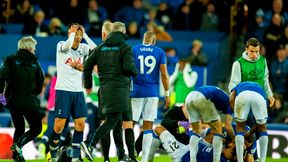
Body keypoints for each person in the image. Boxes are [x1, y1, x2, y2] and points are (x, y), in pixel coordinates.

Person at [81, 21, 138, 161]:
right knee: (115, 122)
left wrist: (88, 84)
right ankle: (90, 144)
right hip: (120, 90)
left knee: (115, 123)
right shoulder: (125, 47)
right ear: (123, 32)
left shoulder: (101, 48)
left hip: (105, 90)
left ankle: (121, 157)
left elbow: (87, 65)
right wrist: (135, 72)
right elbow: (128, 67)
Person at [49, 23, 96, 162]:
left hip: (77, 91)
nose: (78, 36)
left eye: (80, 33)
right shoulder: (61, 45)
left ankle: (75, 157)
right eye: (76, 32)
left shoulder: (84, 48)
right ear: (69, 33)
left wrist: (86, 36)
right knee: (59, 126)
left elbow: (96, 50)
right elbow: (68, 45)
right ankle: (52, 156)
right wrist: (72, 34)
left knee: (80, 124)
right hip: (63, 90)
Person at [0, 36, 44, 161]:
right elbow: (40, 82)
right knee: (36, 128)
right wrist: (34, 95)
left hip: (12, 102)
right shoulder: (35, 63)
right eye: (34, 49)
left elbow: (1, 77)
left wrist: (1, 98)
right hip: (29, 102)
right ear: (30, 48)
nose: (34, 51)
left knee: (19, 128)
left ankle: (16, 156)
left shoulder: (9, 60)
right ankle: (18, 145)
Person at [130, 31, 170, 162]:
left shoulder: (134, 49)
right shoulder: (159, 52)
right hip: (152, 92)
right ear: (154, 41)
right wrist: (167, 93)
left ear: (143, 39)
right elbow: (164, 75)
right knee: (148, 125)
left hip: (136, 91)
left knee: (130, 123)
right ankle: (145, 158)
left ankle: (129, 154)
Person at [185, 86, 233, 162]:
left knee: (196, 131)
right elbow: (228, 127)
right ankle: (216, 160)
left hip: (189, 97)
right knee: (218, 130)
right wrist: (234, 139)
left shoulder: (224, 97)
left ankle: (192, 159)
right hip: (203, 98)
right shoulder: (230, 104)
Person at [228, 38, 275, 111]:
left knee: (260, 122)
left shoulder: (263, 60)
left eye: (257, 51)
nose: (255, 55)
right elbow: (234, 82)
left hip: (260, 97)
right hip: (244, 99)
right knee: (248, 122)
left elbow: (265, 80)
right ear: (246, 49)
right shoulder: (238, 63)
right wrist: (233, 95)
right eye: (252, 51)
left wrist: (270, 95)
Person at [230, 81, 269, 162]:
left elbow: (231, 99)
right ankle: (262, 160)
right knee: (263, 128)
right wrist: (251, 132)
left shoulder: (238, 85)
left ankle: (240, 160)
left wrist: (236, 113)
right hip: (259, 97)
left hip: (242, 96)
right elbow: (260, 123)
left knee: (240, 128)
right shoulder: (260, 87)